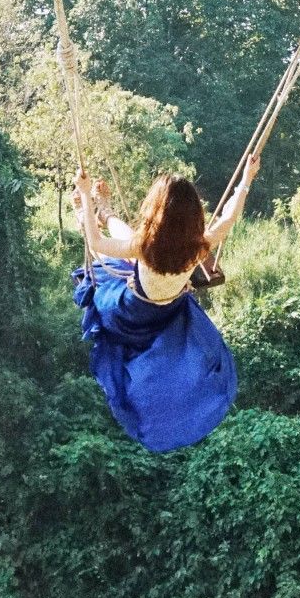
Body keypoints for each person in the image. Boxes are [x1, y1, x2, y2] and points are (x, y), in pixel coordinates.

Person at [70, 161, 255, 452]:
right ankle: (104, 212)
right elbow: (230, 217)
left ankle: (96, 213)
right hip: (170, 310)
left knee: (107, 266)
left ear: (155, 212)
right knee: (126, 248)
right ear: (195, 217)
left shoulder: (144, 247)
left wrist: (83, 194)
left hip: (132, 311)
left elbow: (95, 243)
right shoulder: (201, 246)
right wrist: (245, 180)